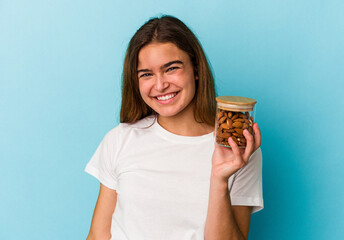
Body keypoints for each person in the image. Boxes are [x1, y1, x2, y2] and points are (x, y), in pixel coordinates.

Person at [85, 15, 263, 240]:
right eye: (147, 74)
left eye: (171, 69)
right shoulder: (119, 139)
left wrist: (219, 179)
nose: (160, 85)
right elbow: (98, 236)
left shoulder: (237, 150)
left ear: (196, 69)